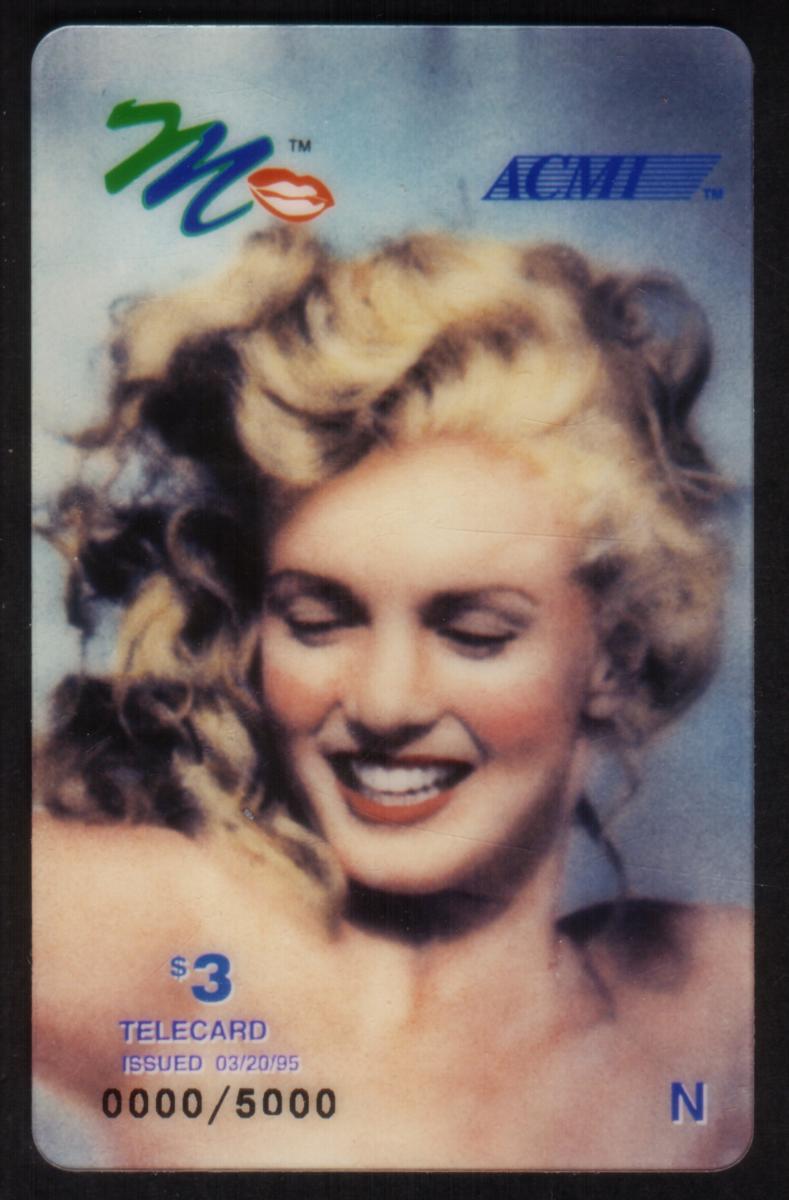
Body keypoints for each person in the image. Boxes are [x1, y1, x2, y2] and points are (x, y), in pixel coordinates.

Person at [32, 228, 752, 1170]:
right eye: (318, 620)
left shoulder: (709, 1005)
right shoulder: (162, 937)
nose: (383, 703)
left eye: (473, 633)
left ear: (612, 659)